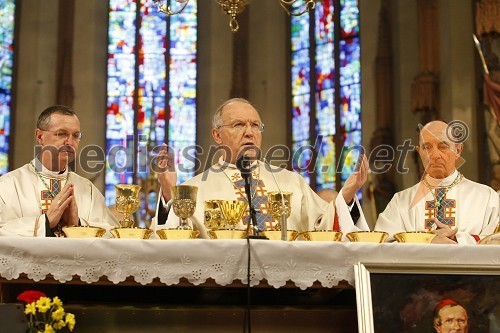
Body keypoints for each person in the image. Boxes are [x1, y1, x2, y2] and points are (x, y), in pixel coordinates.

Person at [154, 98, 369, 238]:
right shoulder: (195, 189)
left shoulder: (292, 182)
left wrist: (347, 196)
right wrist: (168, 192)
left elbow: (322, 230)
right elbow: (172, 243)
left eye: (255, 125)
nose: (249, 132)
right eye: (238, 125)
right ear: (217, 135)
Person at [0, 105, 119, 237]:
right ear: (40, 137)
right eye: (61, 134)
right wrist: (45, 223)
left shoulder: (87, 189)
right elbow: (2, 229)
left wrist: (77, 224)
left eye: (75, 136)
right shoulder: (8, 185)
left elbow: (113, 233)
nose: (70, 142)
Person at [375, 120, 499, 244]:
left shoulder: (486, 197)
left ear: (458, 150)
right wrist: (427, 241)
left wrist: (458, 239)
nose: (434, 155)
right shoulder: (400, 202)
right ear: (419, 152)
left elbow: (495, 240)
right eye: (427, 147)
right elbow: (384, 244)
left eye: (443, 146)